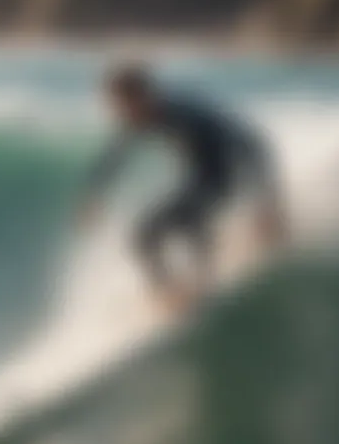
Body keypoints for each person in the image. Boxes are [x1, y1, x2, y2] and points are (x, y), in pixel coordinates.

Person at [80, 63, 285, 310]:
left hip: (222, 177)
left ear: (143, 96)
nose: (118, 111)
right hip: (197, 180)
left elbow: (252, 146)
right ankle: (166, 292)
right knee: (142, 237)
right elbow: (114, 156)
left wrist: (268, 203)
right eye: (115, 105)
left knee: (188, 219)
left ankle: (204, 285)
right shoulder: (140, 118)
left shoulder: (185, 115)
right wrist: (94, 195)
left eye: (122, 104)